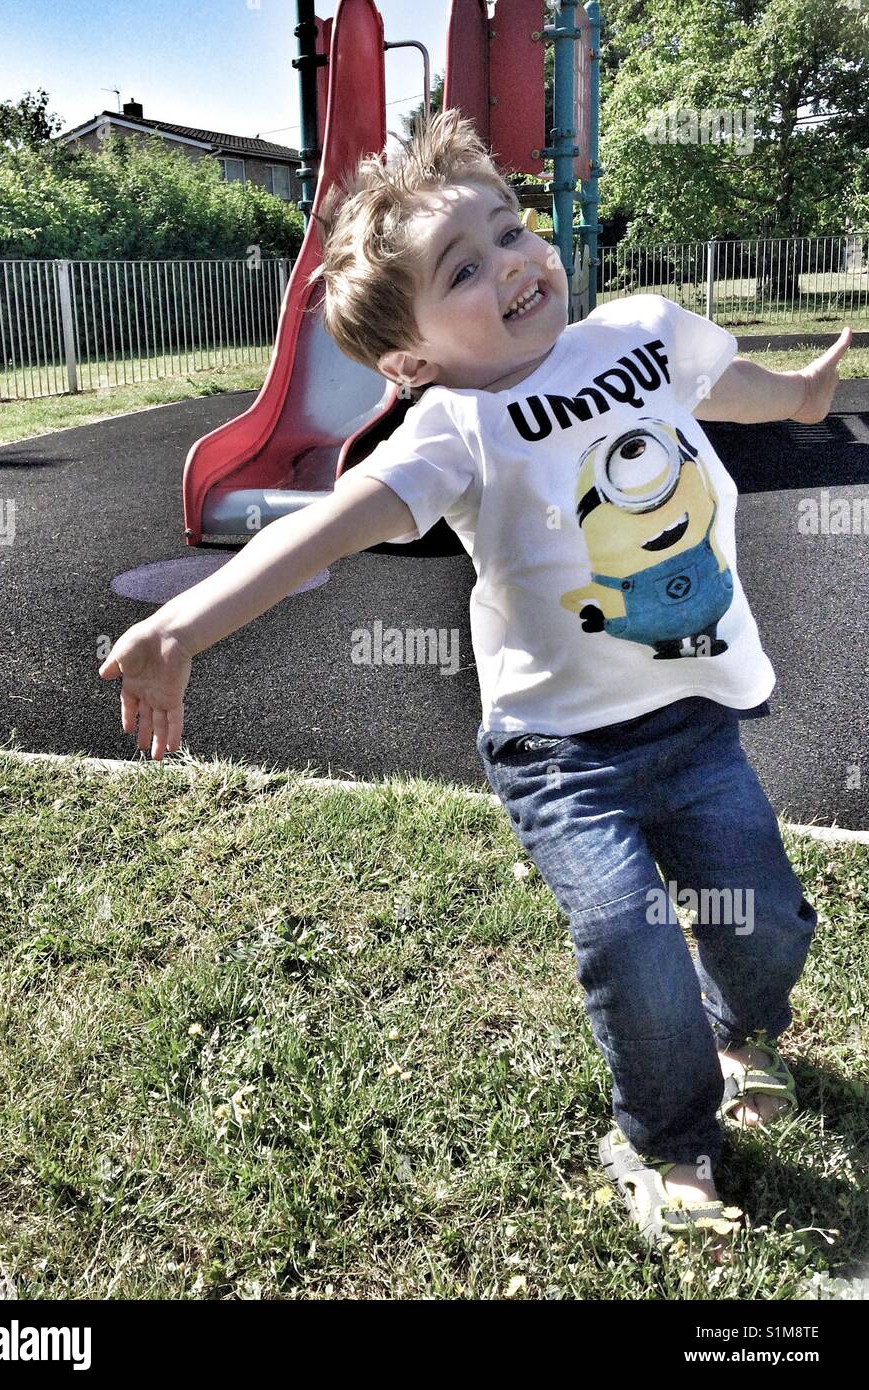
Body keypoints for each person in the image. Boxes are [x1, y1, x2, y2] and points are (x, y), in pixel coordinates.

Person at [99, 109, 852, 1261]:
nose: (513, 263)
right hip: (561, 751)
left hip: (694, 723)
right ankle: (663, 1141)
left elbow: (720, 383)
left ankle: (740, 1029)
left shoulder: (638, 332)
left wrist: (797, 398)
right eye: (464, 268)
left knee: (760, 921)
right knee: (626, 929)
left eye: (510, 230)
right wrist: (183, 626)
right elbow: (316, 534)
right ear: (407, 360)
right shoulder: (453, 428)